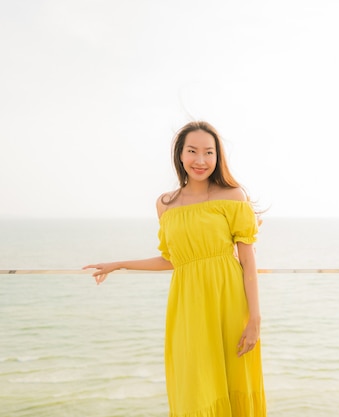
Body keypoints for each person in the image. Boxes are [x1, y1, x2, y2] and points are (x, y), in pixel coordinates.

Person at [84, 121, 266, 417]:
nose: (201, 160)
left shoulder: (232, 196)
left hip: (230, 303)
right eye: (192, 151)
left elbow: (248, 261)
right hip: (187, 307)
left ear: (218, 157)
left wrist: (254, 319)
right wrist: (119, 263)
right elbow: (173, 259)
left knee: (235, 378)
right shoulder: (166, 204)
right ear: (180, 155)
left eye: (209, 152)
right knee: (194, 385)